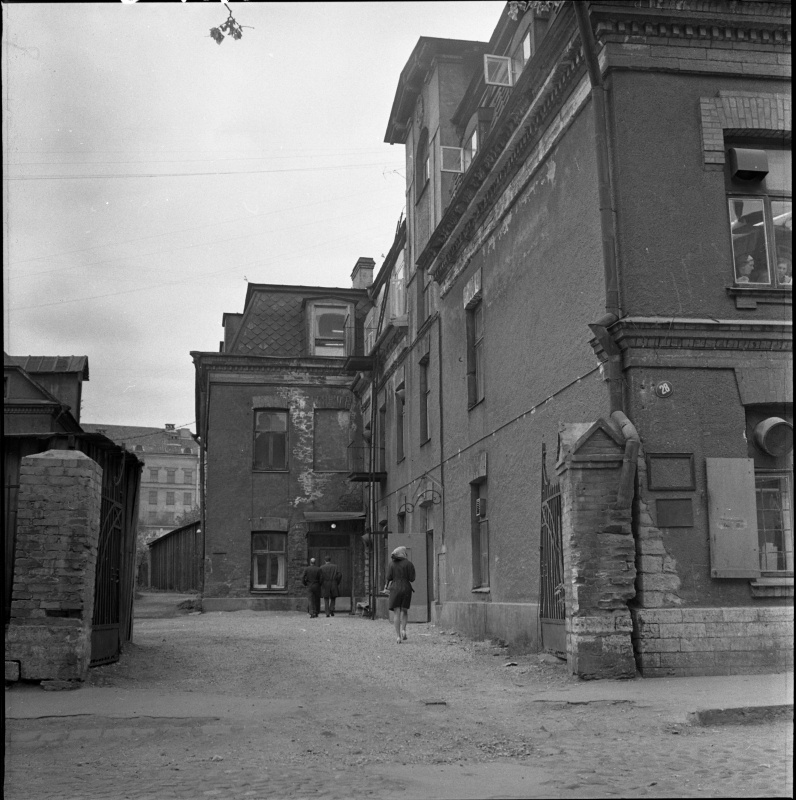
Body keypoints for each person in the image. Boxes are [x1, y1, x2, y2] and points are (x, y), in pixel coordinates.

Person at [383, 546, 415, 644]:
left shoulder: (391, 564)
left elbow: (388, 577)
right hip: (406, 588)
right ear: (404, 553)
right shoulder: (409, 564)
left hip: (395, 588)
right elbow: (412, 578)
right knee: (404, 611)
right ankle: (404, 630)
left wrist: (386, 587)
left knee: (396, 612)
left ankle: (398, 637)